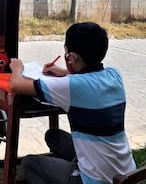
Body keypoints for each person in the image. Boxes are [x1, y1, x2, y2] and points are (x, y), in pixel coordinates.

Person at [9, 22, 136, 184]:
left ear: (72, 57)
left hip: (94, 180)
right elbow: (87, 79)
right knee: (53, 136)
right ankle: (76, 166)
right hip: (126, 172)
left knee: (30, 163)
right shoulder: (114, 76)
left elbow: (16, 85)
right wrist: (63, 71)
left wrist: (17, 68)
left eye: (67, 53)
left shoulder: (71, 85)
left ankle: (75, 175)